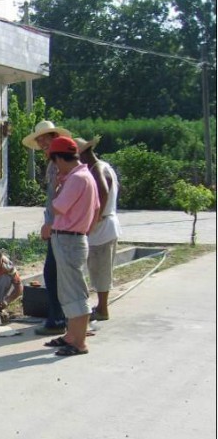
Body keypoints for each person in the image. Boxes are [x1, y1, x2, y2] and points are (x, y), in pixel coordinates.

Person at [44, 136, 99, 356]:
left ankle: (79, 342)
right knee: (68, 290)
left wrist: (58, 186)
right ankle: (71, 336)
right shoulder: (86, 176)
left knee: (75, 291)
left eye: (54, 161)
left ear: (58, 158)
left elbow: (58, 207)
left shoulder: (76, 179)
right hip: (74, 237)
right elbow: (96, 210)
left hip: (68, 238)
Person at [22, 120, 72, 336]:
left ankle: (58, 319)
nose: (42, 142)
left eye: (45, 138)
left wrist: (51, 223)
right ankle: (62, 317)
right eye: (39, 139)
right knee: (56, 273)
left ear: (55, 139)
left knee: (53, 273)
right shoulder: (53, 165)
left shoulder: (59, 166)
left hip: (60, 227)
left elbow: (61, 197)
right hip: (58, 226)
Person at [75, 137, 121, 321]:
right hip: (106, 224)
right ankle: (100, 306)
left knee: (101, 269)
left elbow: (102, 191)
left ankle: (102, 309)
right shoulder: (104, 166)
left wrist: (94, 218)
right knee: (97, 268)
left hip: (102, 227)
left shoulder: (98, 169)